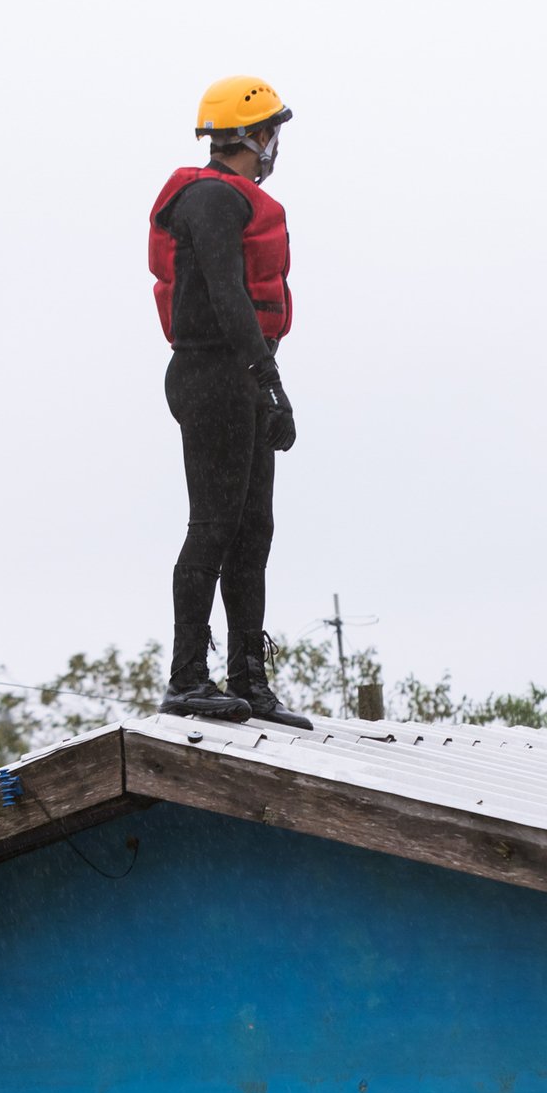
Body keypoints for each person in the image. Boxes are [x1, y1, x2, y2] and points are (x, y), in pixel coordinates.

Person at [146, 75, 312, 728]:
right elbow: (224, 292)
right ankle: (188, 677)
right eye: (272, 132)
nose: (276, 146)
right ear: (250, 136)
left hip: (241, 373)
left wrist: (268, 384)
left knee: (254, 530)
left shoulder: (234, 198)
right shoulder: (211, 197)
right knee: (213, 524)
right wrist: (267, 379)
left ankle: (249, 679)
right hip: (211, 373)